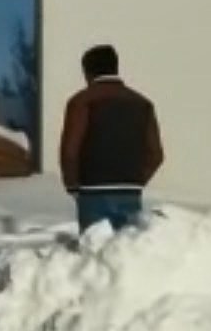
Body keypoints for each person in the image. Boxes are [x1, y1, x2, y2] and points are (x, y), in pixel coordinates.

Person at [58, 44, 164, 233]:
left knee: (94, 253)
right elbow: (156, 154)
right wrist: (137, 180)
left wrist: (73, 185)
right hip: (130, 191)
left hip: (92, 191)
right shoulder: (142, 103)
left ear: (87, 71)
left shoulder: (82, 101)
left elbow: (70, 152)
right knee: (123, 253)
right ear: (115, 66)